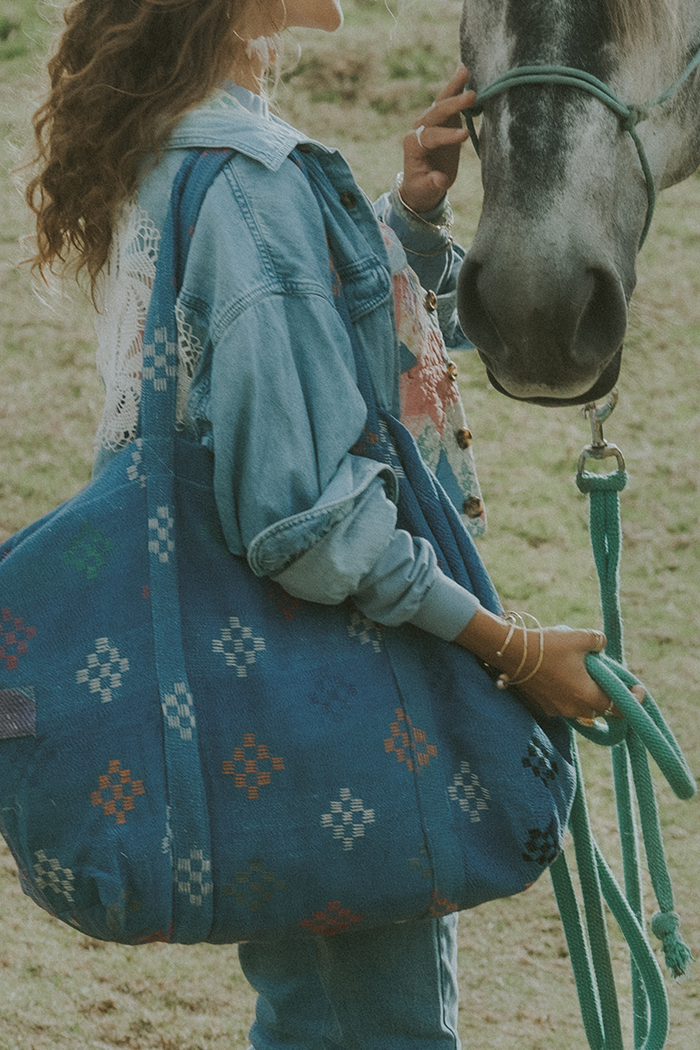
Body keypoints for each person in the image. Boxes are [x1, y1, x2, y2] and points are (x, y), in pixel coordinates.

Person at [25, 1, 639, 1046]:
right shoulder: (251, 181)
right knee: (371, 1027)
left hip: (259, 686)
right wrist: (510, 648)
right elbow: (302, 517)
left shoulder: (183, 149)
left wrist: (404, 222)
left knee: (321, 1009)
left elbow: (302, 376)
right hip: (330, 677)